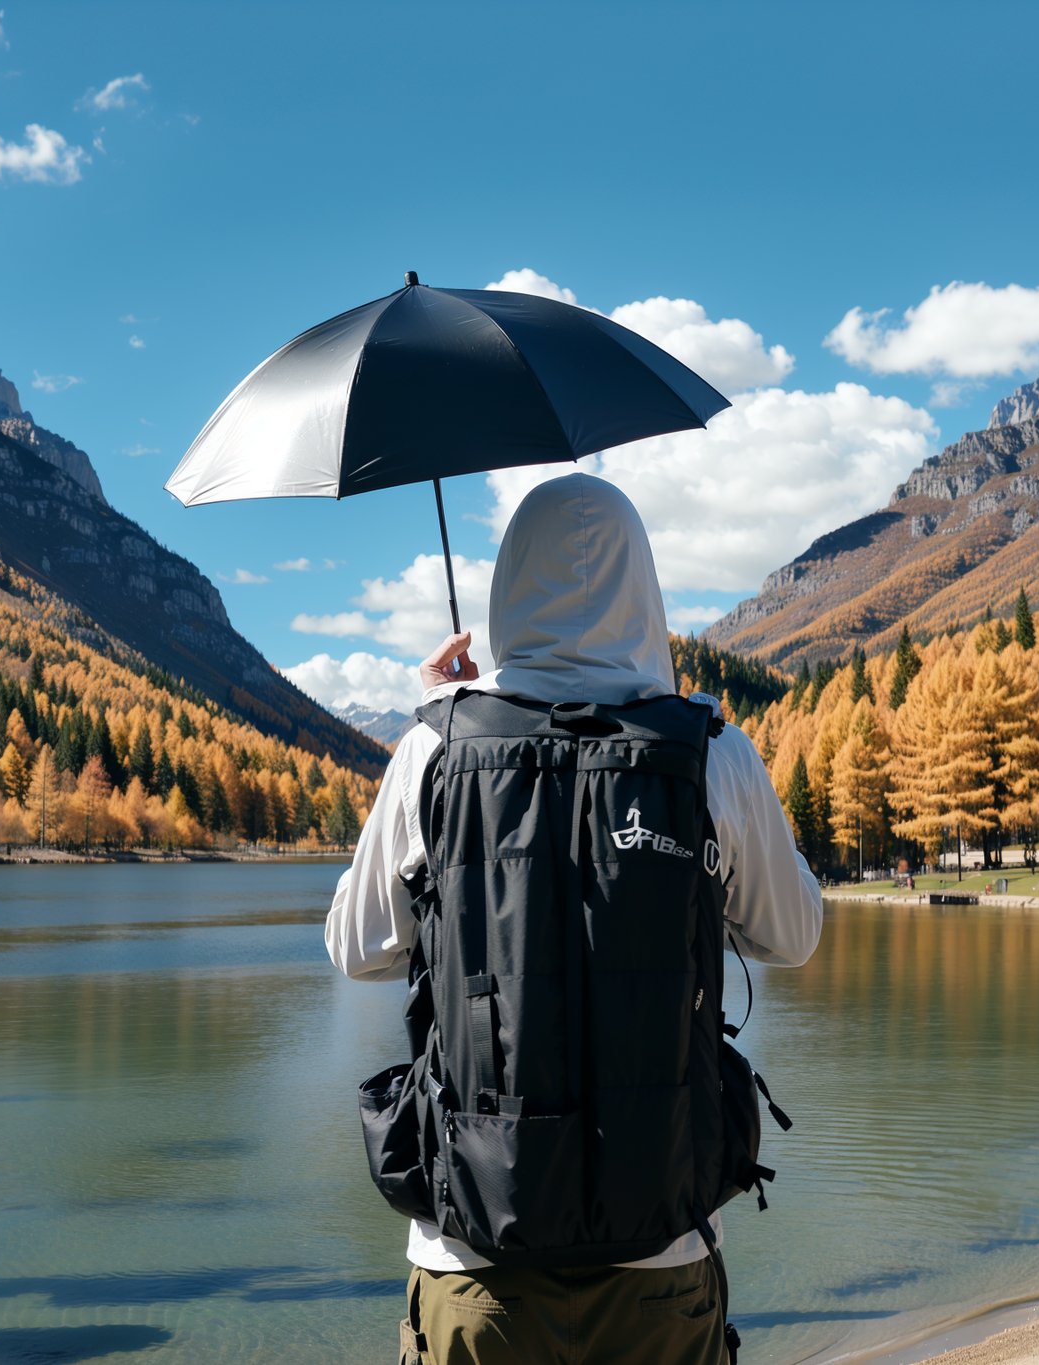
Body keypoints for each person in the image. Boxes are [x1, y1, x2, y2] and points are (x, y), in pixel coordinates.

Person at [327, 475, 823, 1365]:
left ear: (507, 587)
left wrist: (445, 716)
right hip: (662, 1260)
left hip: (474, 1262)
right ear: (646, 591)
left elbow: (356, 946)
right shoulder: (708, 750)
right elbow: (793, 935)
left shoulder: (434, 749)